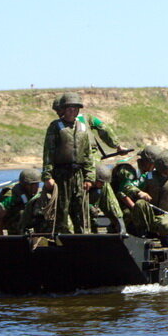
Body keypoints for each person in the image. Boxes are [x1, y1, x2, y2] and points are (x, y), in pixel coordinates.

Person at [42, 92, 94, 233]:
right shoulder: (55, 126)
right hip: (61, 175)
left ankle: (83, 239)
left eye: (75, 108)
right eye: (69, 108)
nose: (72, 111)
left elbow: (88, 154)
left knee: (81, 210)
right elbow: (48, 152)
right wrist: (47, 176)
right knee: (62, 210)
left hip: (78, 175)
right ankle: (64, 239)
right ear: (63, 110)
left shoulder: (82, 127)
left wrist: (89, 176)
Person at [127, 150, 168, 247]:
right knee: (140, 204)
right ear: (164, 168)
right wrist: (139, 192)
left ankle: (165, 240)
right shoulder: (148, 176)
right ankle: (143, 235)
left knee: (164, 224)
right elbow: (128, 186)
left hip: (167, 216)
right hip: (150, 215)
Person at [51, 94, 129, 165]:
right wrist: (118, 146)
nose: (57, 113)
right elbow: (103, 128)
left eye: (58, 110)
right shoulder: (87, 117)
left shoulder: (56, 125)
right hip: (92, 158)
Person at [111, 145, 164, 215]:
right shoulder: (128, 169)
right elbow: (123, 191)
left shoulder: (144, 168)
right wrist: (134, 208)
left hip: (132, 195)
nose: (155, 168)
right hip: (118, 199)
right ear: (147, 162)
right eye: (154, 165)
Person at [0, 169, 42, 235]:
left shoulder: (36, 194)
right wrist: (1, 237)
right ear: (26, 185)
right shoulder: (12, 196)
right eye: (34, 185)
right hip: (14, 229)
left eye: (37, 184)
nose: (36, 187)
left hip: (30, 228)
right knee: (21, 212)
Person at [87, 164, 124, 233]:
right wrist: (89, 207)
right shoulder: (84, 184)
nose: (103, 185)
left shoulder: (99, 189)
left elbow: (111, 204)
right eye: (101, 182)